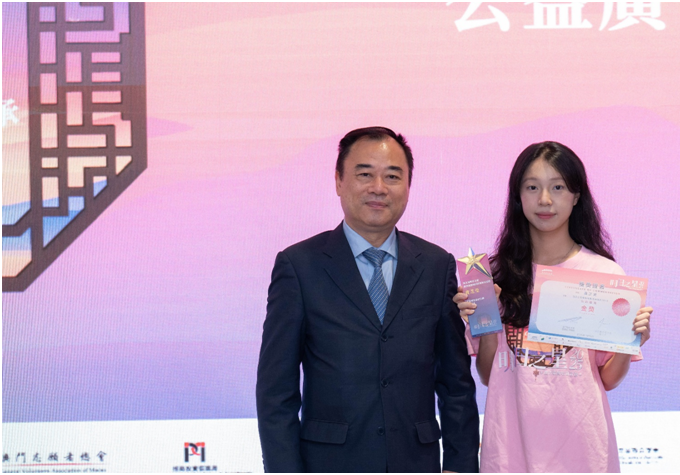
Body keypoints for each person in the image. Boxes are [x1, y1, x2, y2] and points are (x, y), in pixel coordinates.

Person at [257, 127, 480, 473]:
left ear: (408, 186)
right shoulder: (299, 266)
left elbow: (456, 385)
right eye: (365, 174)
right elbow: (276, 392)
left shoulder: (437, 266)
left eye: (392, 176)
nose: (379, 188)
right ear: (339, 181)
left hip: (415, 463)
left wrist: (460, 464)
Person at [454, 141, 653, 473]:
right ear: (518, 196)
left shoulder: (604, 275)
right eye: (532, 187)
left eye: (557, 187)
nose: (544, 200)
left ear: (576, 196)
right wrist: (486, 321)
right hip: (509, 452)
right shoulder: (489, 275)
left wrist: (628, 341)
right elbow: (489, 375)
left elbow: (609, 379)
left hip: (582, 453)